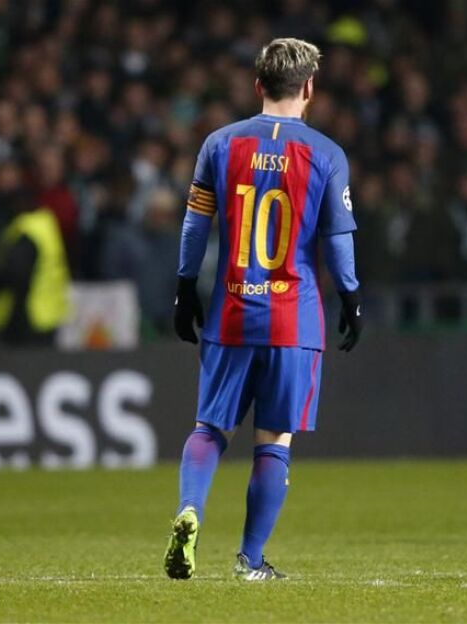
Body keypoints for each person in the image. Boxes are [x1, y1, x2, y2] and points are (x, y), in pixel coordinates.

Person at [164, 38, 363, 582]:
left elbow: (195, 225)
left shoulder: (220, 144)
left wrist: (185, 288)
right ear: (310, 88)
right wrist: (351, 297)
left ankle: (190, 509)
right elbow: (338, 240)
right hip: (292, 319)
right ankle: (250, 560)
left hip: (231, 311)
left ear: (258, 85)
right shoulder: (326, 154)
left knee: (210, 427)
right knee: (274, 441)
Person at [0, 162, 70, 345]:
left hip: (26, 322)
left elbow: (17, 276)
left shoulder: (26, 231)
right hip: (48, 317)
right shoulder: (46, 225)